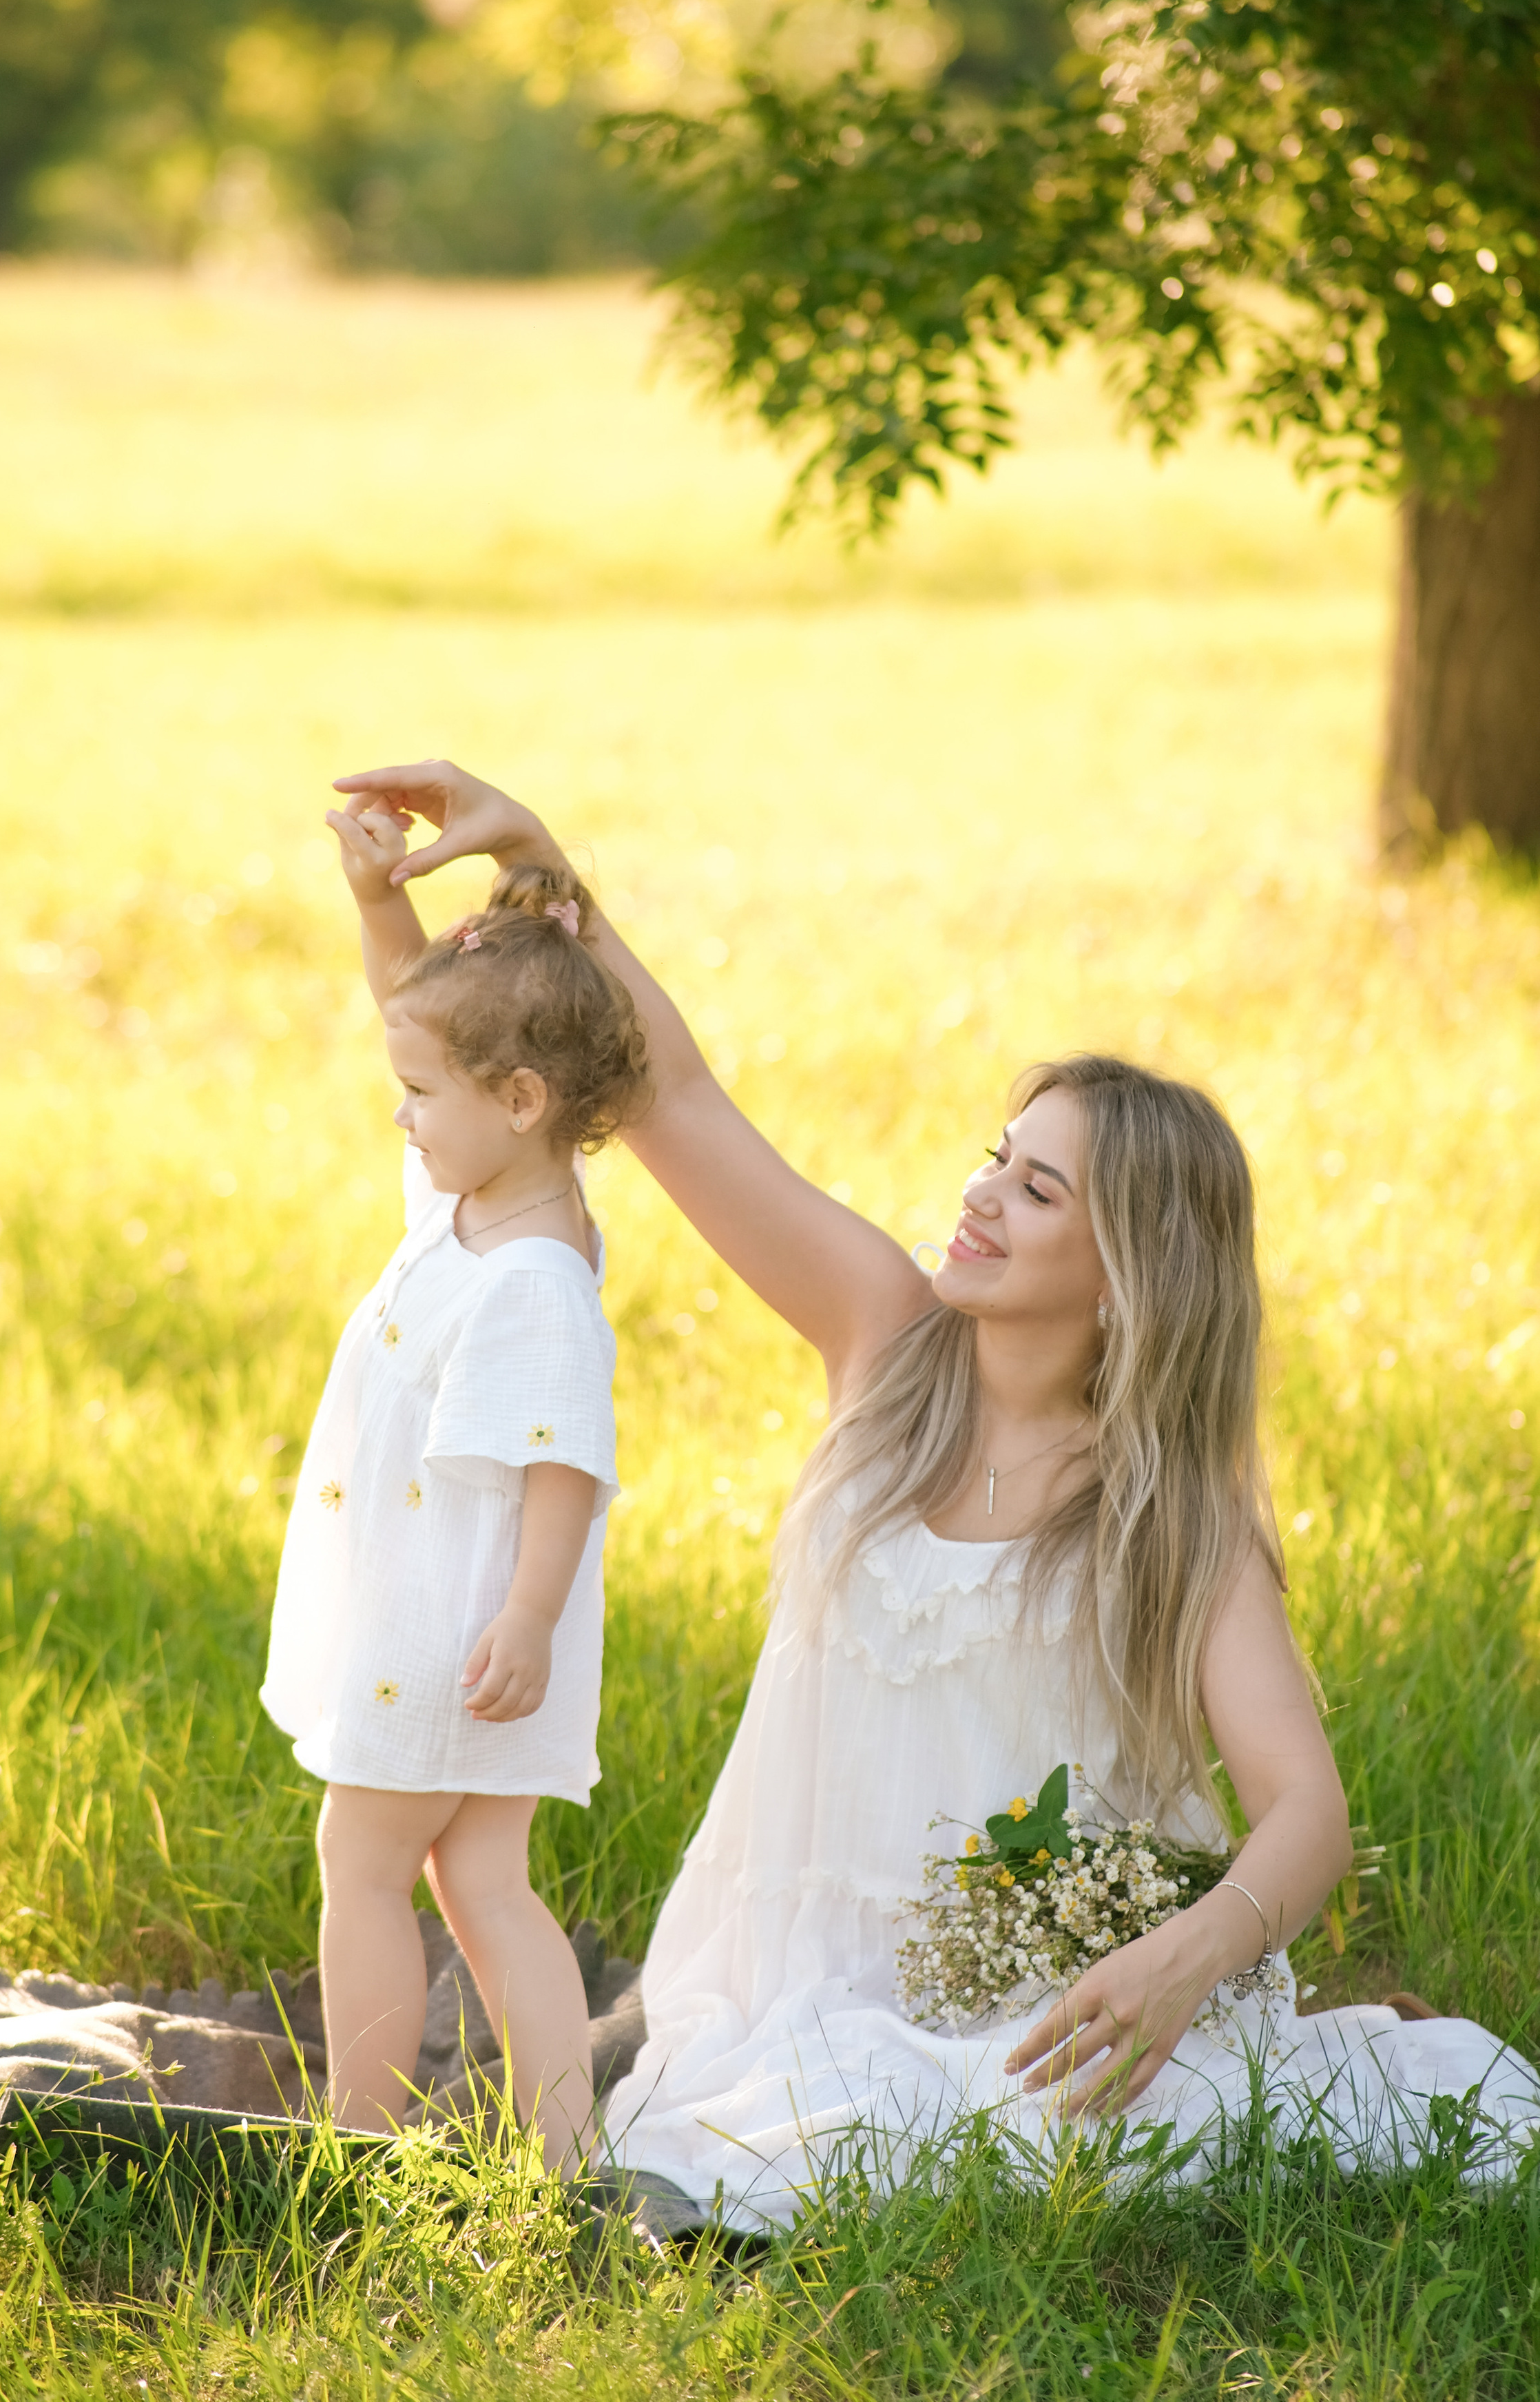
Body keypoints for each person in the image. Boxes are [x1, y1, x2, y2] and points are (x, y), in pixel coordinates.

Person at [331, 756, 1540, 2231]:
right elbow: (673, 1097)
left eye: (1038, 1193)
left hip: (1045, 1987)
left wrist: (1179, 1961)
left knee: (989, 2138)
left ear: (1131, 1274)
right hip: (789, 1969)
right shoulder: (882, 1340)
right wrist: (543, 865)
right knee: (776, 2132)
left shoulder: (1169, 1517)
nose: (979, 1194)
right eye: (996, 1158)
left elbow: (1304, 1813)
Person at [260, 798, 649, 2168]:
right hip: (474, 1629)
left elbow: (566, 1471)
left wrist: (529, 1622)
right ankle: (565, 2157)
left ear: (520, 1102)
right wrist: (376, 901)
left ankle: (355, 2142)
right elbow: (418, 1016)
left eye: (420, 1097)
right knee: (483, 1878)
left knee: (362, 1870)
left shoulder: (533, 1279)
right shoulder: (478, 1202)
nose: (401, 1115)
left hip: (458, 1635)